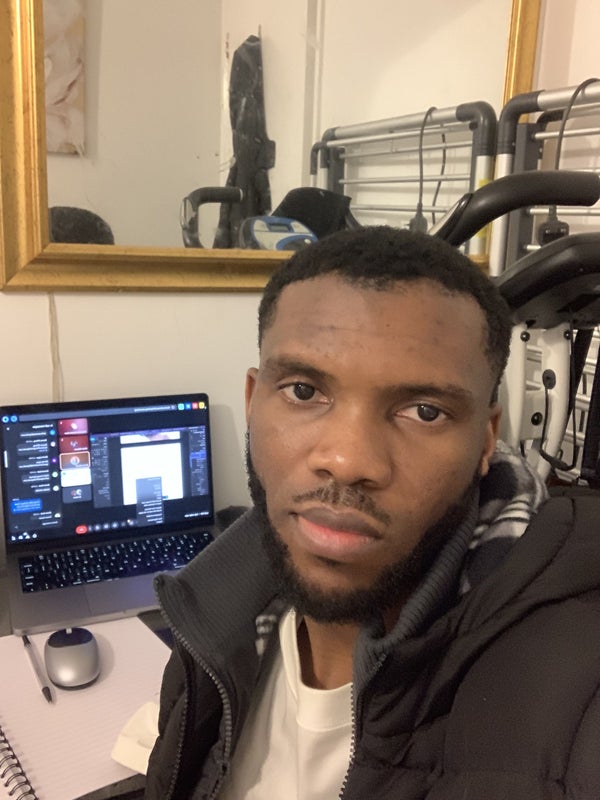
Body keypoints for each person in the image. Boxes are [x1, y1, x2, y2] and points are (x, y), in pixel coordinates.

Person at [144, 227, 600, 800]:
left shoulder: (573, 688)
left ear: (486, 439)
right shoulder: (211, 612)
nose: (348, 460)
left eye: (425, 411)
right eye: (304, 391)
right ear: (254, 401)